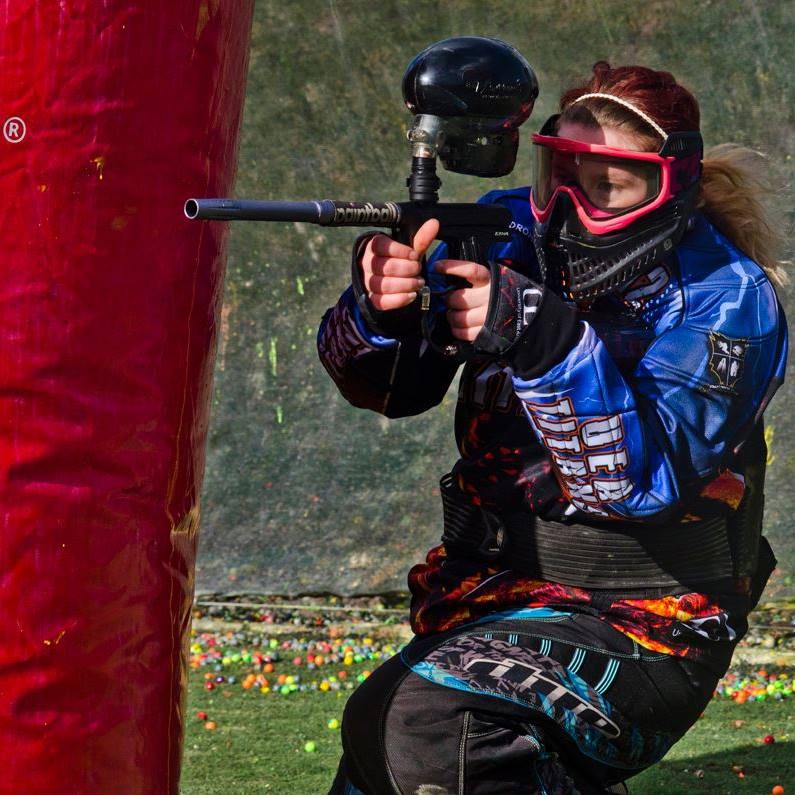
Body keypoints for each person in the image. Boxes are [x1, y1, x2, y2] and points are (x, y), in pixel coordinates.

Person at [318, 62, 788, 795]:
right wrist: (382, 311)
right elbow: (388, 390)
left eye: (605, 186)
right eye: (558, 177)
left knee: (426, 723)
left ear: (667, 189)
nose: (567, 209)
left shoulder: (724, 299)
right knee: (384, 750)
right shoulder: (507, 232)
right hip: (487, 592)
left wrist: (546, 342)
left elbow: (634, 487)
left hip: (648, 622)